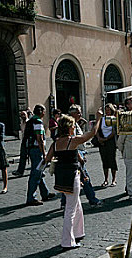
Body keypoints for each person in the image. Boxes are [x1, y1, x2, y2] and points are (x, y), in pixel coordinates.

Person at [43, 109, 103, 249]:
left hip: (61, 178)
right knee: (70, 209)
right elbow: (93, 133)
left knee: (76, 205)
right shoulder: (73, 141)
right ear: (70, 128)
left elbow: (47, 159)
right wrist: (99, 118)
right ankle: (67, 241)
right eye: (73, 126)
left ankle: (78, 232)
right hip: (72, 177)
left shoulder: (56, 143)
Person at [68, 105, 102, 207]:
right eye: (78, 112)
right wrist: (98, 119)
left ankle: (64, 203)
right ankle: (93, 200)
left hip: (75, 154)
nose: (80, 114)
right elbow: (74, 143)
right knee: (85, 178)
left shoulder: (72, 124)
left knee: (71, 180)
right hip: (76, 154)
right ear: (72, 114)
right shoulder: (72, 126)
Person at [25, 104, 55, 206]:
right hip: (37, 150)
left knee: (39, 172)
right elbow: (40, 139)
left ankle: (45, 193)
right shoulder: (38, 122)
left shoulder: (31, 120)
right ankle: (31, 197)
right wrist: (44, 153)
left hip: (32, 149)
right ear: (42, 112)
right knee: (36, 174)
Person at [97, 103, 118, 187]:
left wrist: (106, 139)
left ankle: (113, 179)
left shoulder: (113, 119)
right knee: (104, 160)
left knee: (112, 160)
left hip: (110, 141)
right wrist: (99, 138)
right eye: (106, 110)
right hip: (102, 141)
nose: (107, 111)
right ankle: (106, 179)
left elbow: (114, 131)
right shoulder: (102, 119)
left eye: (109, 109)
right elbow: (97, 129)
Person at [12, 110, 29, 177]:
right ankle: (20, 171)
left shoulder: (29, 122)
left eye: (24, 114)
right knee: (23, 156)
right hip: (24, 140)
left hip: (29, 141)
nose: (22, 116)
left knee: (33, 157)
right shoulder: (22, 123)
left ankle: (39, 171)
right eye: (21, 115)